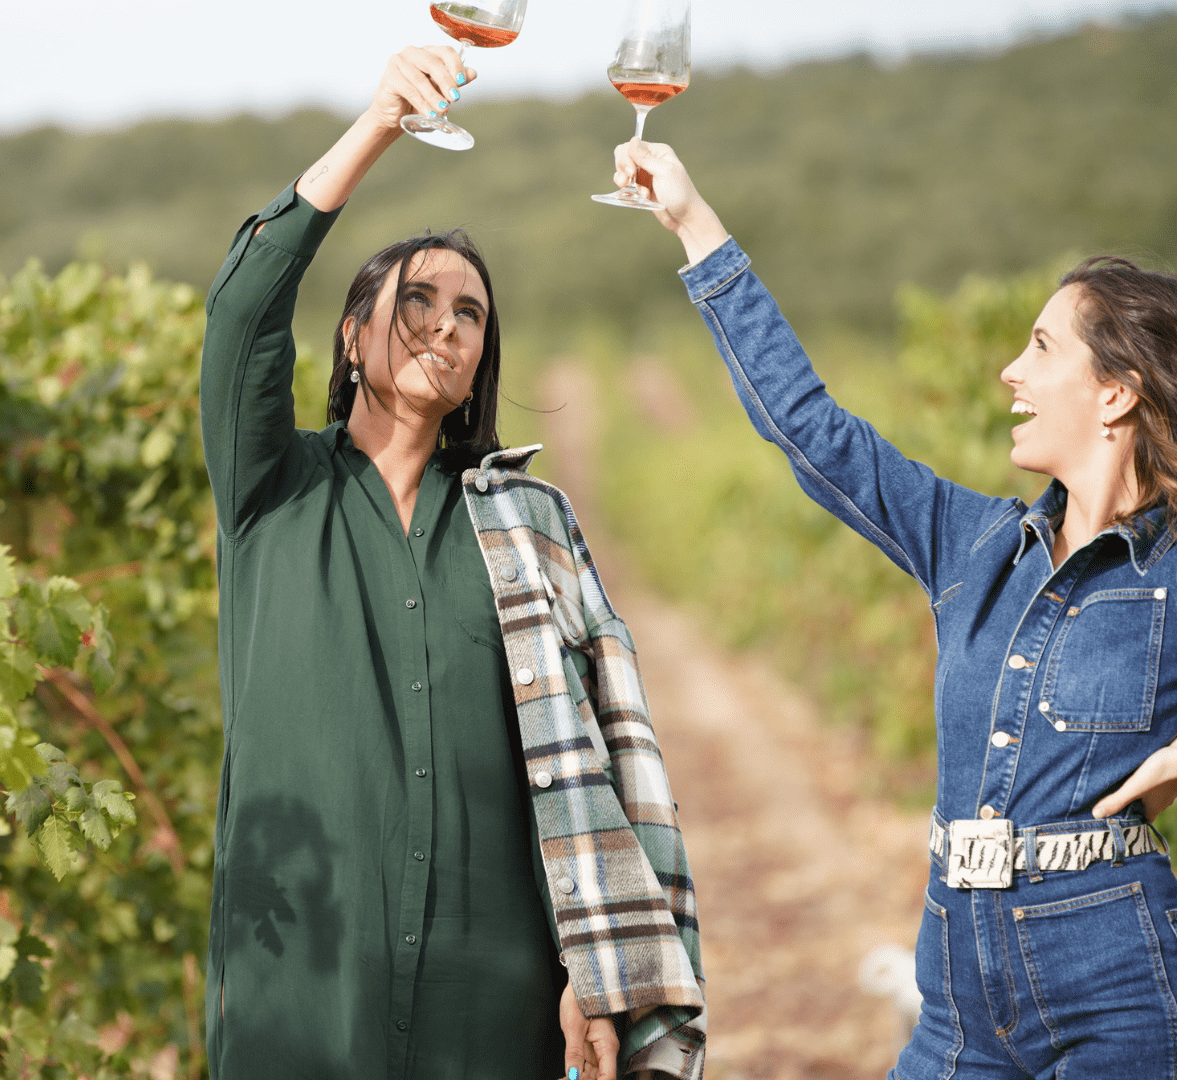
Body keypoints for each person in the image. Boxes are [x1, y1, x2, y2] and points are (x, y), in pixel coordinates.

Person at [615, 139, 1177, 1078]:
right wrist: (691, 222)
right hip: (956, 995)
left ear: (1115, 393)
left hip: (1118, 986)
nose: (1008, 371)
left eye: (1040, 348)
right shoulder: (973, 543)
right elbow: (808, 425)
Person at [197, 47, 706, 1080]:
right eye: (418, 300)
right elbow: (243, 307)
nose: (446, 322)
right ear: (351, 339)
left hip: (494, 999)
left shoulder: (527, 526)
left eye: (470, 312)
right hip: (294, 986)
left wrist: (588, 971)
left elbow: (583, 775)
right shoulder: (272, 489)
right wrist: (381, 120)